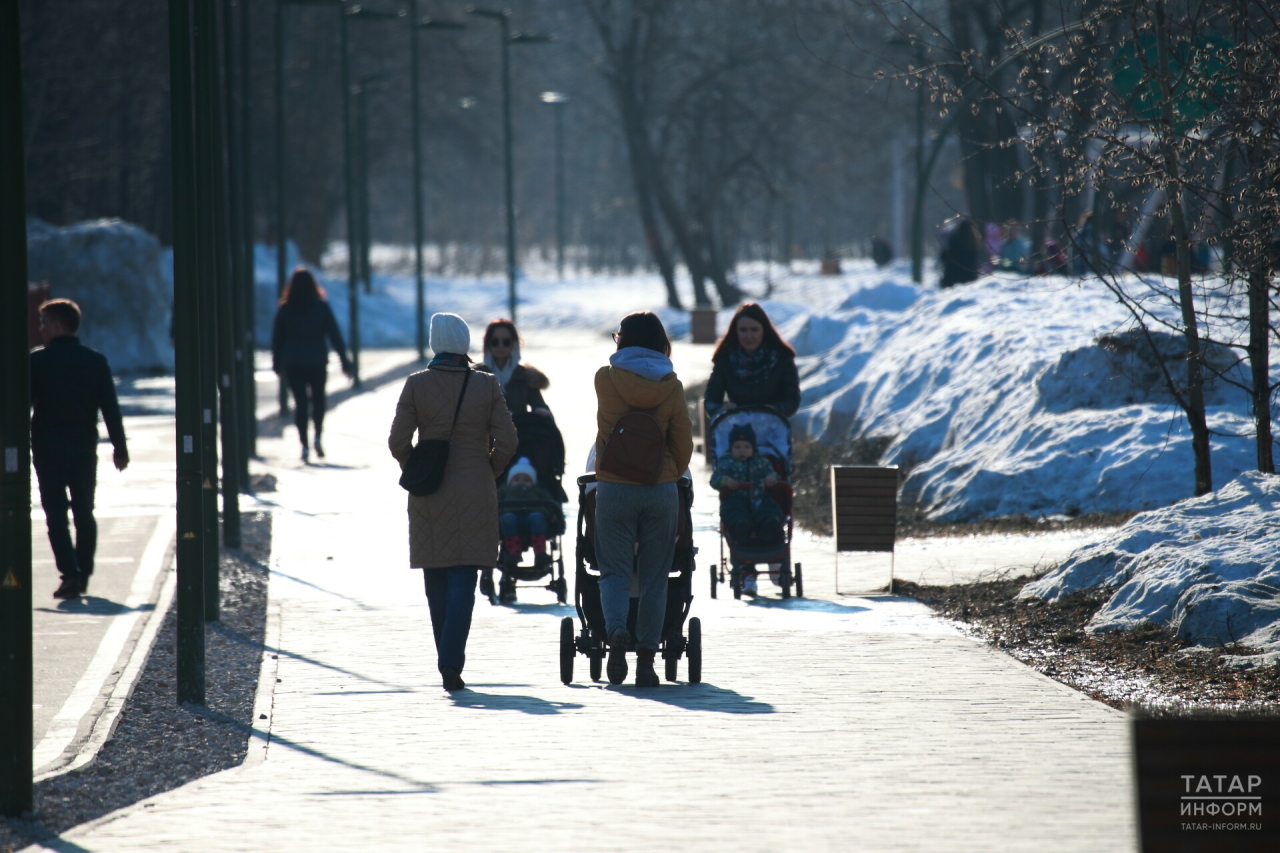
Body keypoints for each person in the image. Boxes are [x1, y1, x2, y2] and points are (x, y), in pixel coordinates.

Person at [388, 313, 517, 691]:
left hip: (429, 491)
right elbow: (508, 440)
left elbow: (398, 441)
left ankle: (445, 660)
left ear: (434, 343)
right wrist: (488, 470)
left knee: (437, 578)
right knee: (465, 577)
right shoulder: (486, 385)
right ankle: (451, 662)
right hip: (477, 486)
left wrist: (417, 467)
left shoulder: (416, 385)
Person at [594, 312, 694, 687]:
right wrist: (666, 472)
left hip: (615, 486)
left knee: (615, 570)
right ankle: (648, 658)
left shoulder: (605, 379)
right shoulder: (672, 385)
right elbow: (683, 444)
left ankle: (617, 631)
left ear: (622, 340)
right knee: (655, 577)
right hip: (659, 490)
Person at [29, 299, 129, 599]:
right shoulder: (95, 361)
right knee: (84, 512)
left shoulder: (37, 362)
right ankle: (82, 573)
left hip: (47, 448)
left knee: (55, 514)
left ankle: (69, 574)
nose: (41, 328)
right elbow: (110, 408)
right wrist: (120, 448)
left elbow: (21, 405)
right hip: (83, 447)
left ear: (59, 325)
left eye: (44, 322)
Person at [271, 267, 353, 462]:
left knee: (300, 403)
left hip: (294, 362)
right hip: (316, 361)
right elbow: (334, 335)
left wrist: (277, 363)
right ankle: (317, 436)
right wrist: (345, 361)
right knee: (318, 401)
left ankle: (304, 446)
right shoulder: (321, 307)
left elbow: (278, 339)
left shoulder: (286, 308)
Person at [711, 424, 784, 597]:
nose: (742, 450)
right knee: (735, 513)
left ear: (753, 448)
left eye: (746, 447)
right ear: (731, 448)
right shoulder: (726, 461)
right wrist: (726, 481)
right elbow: (716, 478)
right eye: (737, 447)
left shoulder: (761, 461)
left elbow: (773, 474)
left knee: (770, 510)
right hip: (737, 499)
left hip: (759, 498)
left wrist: (771, 478)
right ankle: (740, 528)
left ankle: (769, 525)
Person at [704, 303, 800, 420]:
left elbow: (792, 400)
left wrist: (774, 409)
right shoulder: (725, 360)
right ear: (735, 331)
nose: (748, 336)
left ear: (764, 330)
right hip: (736, 428)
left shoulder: (782, 359)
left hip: (773, 428)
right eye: (743, 330)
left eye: (754, 330)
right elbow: (710, 401)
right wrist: (721, 409)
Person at [479, 319, 551, 419]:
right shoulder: (475, 375)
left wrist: (542, 413)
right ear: (487, 343)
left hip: (519, 432)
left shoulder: (525, 376)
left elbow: (539, 405)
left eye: (506, 342)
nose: (500, 346)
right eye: (495, 341)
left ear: (514, 344)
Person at [497, 457, 556, 577]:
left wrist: (552, 515)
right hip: (511, 519)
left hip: (532, 519)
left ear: (533, 482)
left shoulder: (538, 491)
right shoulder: (504, 490)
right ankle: (514, 551)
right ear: (510, 481)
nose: (521, 482)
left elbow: (551, 504)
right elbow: (495, 500)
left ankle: (540, 551)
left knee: (537, 516)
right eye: (517, 479)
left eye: (526, 480)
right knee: (507, 518)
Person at [939, 217, 983, 288]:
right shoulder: (974, 244)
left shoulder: (953, 242)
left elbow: (943, 257)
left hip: (952, 278)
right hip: (969, 278)